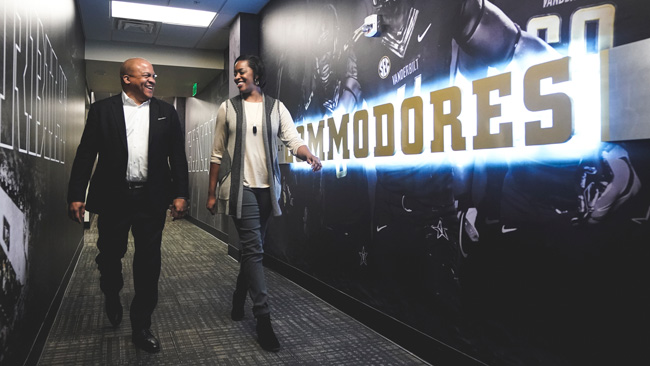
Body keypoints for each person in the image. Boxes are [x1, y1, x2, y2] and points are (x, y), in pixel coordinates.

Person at [67, 57, 189, 353]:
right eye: (146, 75)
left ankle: (141, 325)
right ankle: (111, 290)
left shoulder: (166, 112)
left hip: (151, 199)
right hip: (113, 198)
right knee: (110, 256)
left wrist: (181, 193)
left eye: (153, 75)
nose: (152, 80)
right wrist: (75, 194)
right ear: (126, 79)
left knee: (149, 263)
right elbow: (86, 154)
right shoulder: (102, 111)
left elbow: (178, 156)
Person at [206, 55, 322, 352]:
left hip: (268, 191)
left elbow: (293, 139)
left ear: (256, 73)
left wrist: (307, 154)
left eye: (241, 72)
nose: (236, 77)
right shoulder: (227, 109)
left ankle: (238, 294)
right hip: (239, 189)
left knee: (251, 249)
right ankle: (263, 319)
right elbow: (216, 154)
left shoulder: (275, 107)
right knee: (255, 251)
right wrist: (210, 192)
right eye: (234, 73)